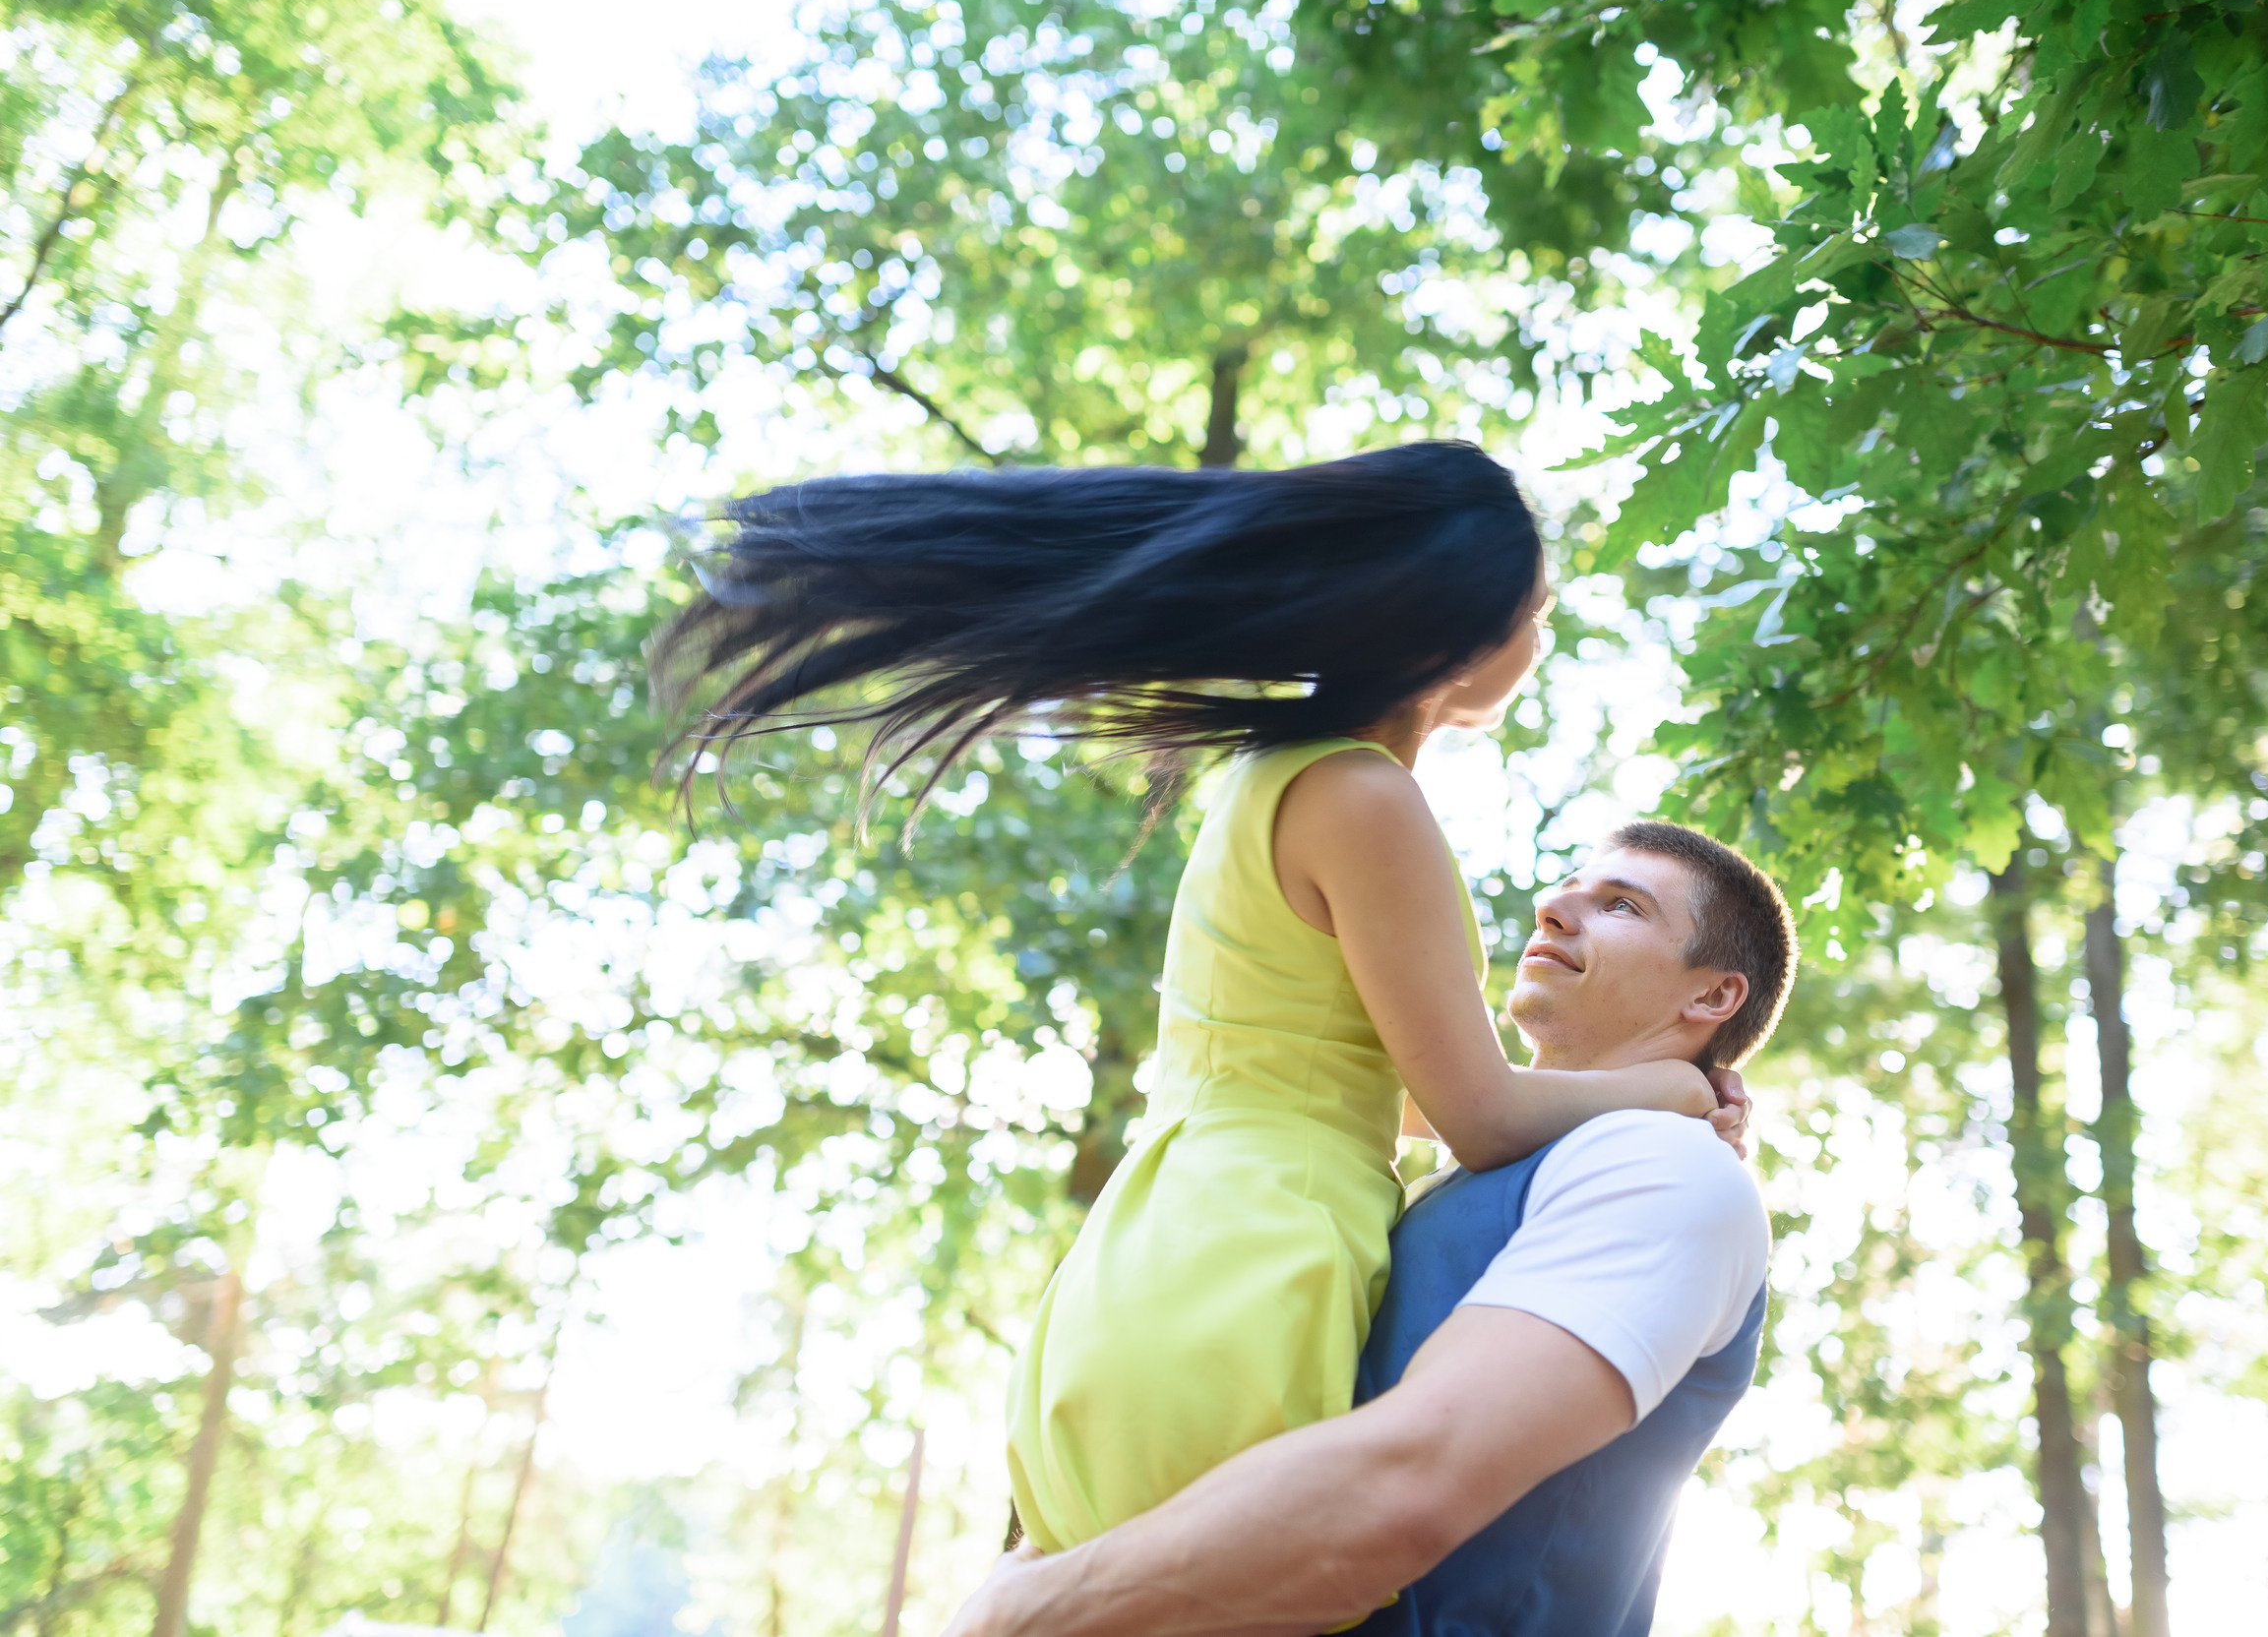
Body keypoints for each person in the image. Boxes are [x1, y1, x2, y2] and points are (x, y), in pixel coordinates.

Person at [649, 443, 1742, 1562]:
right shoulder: (1367, 797)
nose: (1542, 635)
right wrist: (1669, 1084)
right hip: (1251, 1261)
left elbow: (1393, 1091)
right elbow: (1479, 1118)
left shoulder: (1275, 777)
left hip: (1166, 1244)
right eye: (1537, 611)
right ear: (1451, 635)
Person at [942, 819, 1794, 1637]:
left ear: (1714, 993)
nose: (1554, 907)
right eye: (1567, 887)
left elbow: (1408, 1482)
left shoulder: (1667, 1171)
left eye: (1622, 905)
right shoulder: (1450, 1180)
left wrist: (1024, 1610)